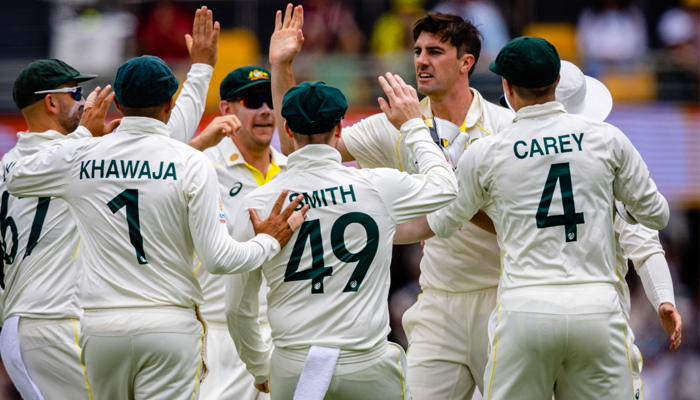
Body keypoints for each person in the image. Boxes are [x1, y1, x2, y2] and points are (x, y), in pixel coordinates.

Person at [4, 53, 305, 400]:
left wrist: (82, 135)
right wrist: (267, 241)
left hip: (101, 328)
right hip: (169, 326)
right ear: (169, 103)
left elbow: (17, 178)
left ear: (117, 102)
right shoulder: (191, 160)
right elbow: (219, 259)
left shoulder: (84, 154)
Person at [401, 36, 669, 399]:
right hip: (597, 307)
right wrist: (619, 202)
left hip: (524, 310)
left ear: (507, 88)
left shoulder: (488, 152)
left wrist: (425, 148)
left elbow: (443, 223)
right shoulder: (609, 139)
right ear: (556, 83)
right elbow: (658, 216)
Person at [270, 7, 513, 399]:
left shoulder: (504, 128)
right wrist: (282, 67)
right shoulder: (395, 122)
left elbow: (518, 223)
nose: (421, 60)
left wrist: (458, 200)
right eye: (417, 51)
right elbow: (293, 142)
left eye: (435, 52)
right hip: (437, 300)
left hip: (501, 297)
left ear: (467, 62)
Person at [0, 7, 218, 399]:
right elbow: (165, 136)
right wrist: (200, 71)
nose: (85, 102)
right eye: (76, 93)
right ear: (52, 103)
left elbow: (161, 142)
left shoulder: (12, 160)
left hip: (20, 323)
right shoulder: (72, 155)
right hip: (58, 321)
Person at [225, 74, 457, 399]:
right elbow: (446, 186)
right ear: (338, 129)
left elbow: (237, 308)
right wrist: (414, 126)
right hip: (367, 363)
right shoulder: (377, 186)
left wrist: (259, 367)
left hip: (294, 363)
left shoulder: (258, 202)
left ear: (288, 131)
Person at [194, 65, 283, 400]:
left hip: (283, 333)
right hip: (219, 336)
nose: (265, 111)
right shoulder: (201, 167)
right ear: (227, 110)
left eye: (270, 101)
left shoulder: (292, 168)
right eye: (253, 100)